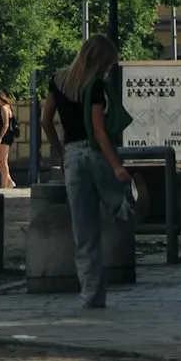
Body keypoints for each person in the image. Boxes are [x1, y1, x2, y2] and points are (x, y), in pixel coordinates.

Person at [50, 36, 132, 311]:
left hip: (71, 155)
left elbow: (44, 120)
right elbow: (98, 130)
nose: (108, 69)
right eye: (108, 63)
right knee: (125, 205)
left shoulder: (59, 80)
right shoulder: (94, 86)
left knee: (83, 232)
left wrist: (58, 149)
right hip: (95, 154)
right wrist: (117, 166)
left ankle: (91, 297)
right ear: (100, 61)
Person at [0, 89, 17, 190]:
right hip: (5, 136)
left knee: (2, 161)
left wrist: (0, 138)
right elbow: (3, 122)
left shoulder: (4, 108)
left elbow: (5, 125)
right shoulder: (5, 108)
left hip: (5, 137)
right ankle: (9, 181)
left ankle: (4, 184)